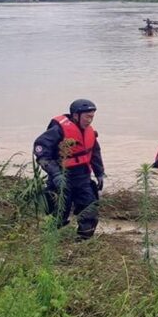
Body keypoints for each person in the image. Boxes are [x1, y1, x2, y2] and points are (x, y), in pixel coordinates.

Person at [33, 99, 105, 240]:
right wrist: (55, 174)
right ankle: (49, 240)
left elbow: (95, 153)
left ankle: (83, 241)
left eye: (92, 117)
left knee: (89, 210)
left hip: (83, 178)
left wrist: (100, 172)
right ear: (76, 115)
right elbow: (41, 151)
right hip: (62, 177)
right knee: (59, 213)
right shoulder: (58, 129)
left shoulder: (90, 132)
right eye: (87, 117)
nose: (90, 120)